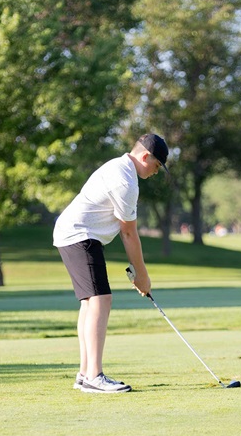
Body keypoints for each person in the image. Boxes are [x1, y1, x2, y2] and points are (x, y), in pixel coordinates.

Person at [53, 133, 169, 393]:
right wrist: (142, 275)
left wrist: (140, 274)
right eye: (157, 165)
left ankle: (85, 374)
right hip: (79, 235)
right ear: (145, 156)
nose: (156, 172)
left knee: (90, 303)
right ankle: (94, 376)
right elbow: (128, 233)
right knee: (101, 299)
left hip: (75, 234)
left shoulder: (118, 167)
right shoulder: (126, 181)